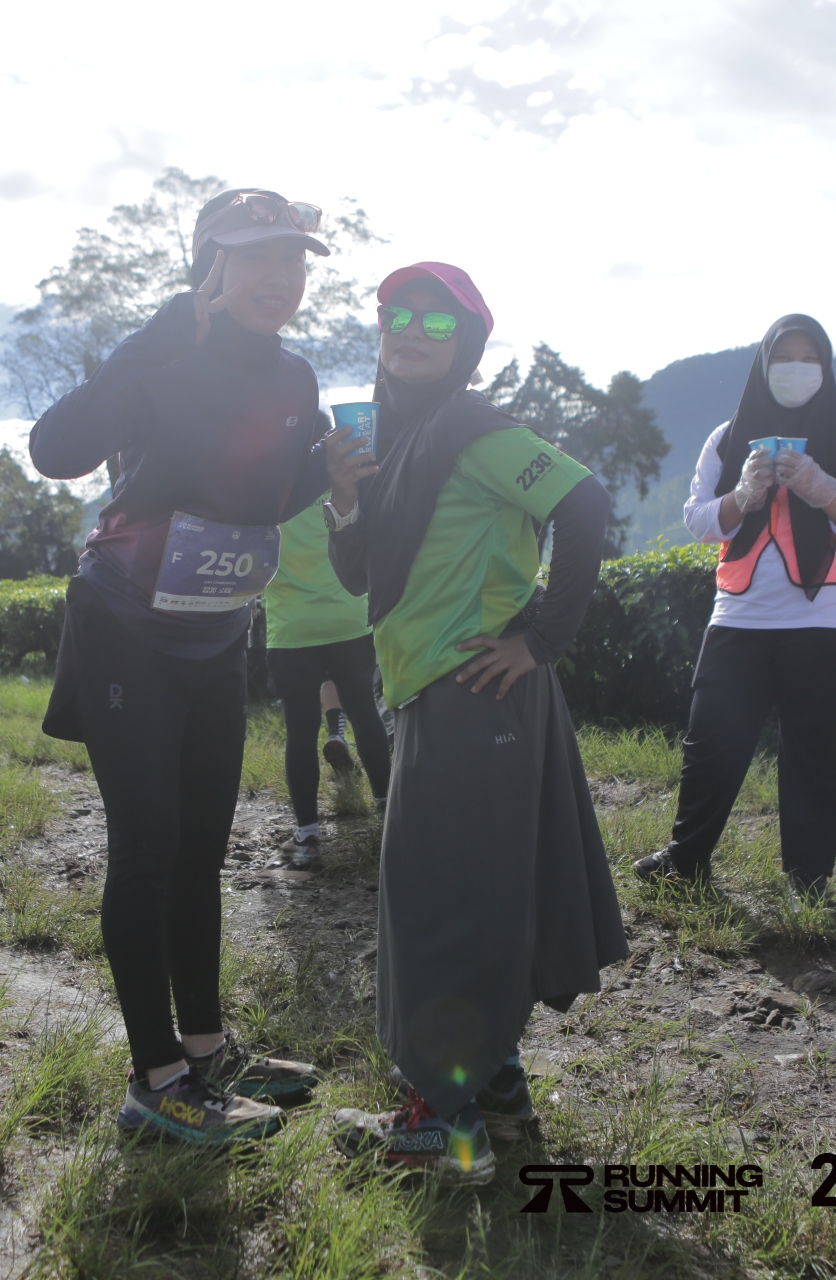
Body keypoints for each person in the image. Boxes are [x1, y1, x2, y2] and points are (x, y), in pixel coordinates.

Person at [29, 188, 333, 1145]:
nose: (280, 276)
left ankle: (206, 1048)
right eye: (258, 257)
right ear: (211, 264)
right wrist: (158, 335)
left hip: (215, 631)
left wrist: (331, 472)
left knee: (203, 847)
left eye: (293, 260)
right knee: (149, 845)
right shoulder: (165, 355)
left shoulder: (296, 379)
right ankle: (155, 1080)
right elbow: (56, 450)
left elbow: (262, 497)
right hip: (126, 628)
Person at [321, 262, 628, 1183]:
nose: (410, 332)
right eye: (396, 315)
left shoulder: (472, 429)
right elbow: (362, 579)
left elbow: (583, 501)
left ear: (467, 346)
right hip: (442, 694)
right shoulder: (402, 442)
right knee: (476, 901)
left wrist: (542, 637)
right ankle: (499, 1100)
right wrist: (345, 498)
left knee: (439, 914)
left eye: (436, 321)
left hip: (475, 693)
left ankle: (441, 1135)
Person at [634, 315, 836, 894]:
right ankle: (686, 860)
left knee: (813, 749)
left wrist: (824, 490)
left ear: (825, 368)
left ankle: (807, 883)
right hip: (741, 611)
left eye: (810, 359)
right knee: (711, 738)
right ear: (763, 365)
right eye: (785, 358)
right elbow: (698, 519)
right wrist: (742, 494)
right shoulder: (728, 437)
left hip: (828, 613)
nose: (796, 370)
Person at [263, 490, 393, 866]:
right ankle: (389, 819)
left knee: (300, 732)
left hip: (291, 625)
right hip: (349, 617)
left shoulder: (273, 486)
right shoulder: (342, 483)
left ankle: (307, 839)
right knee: (365, 714)